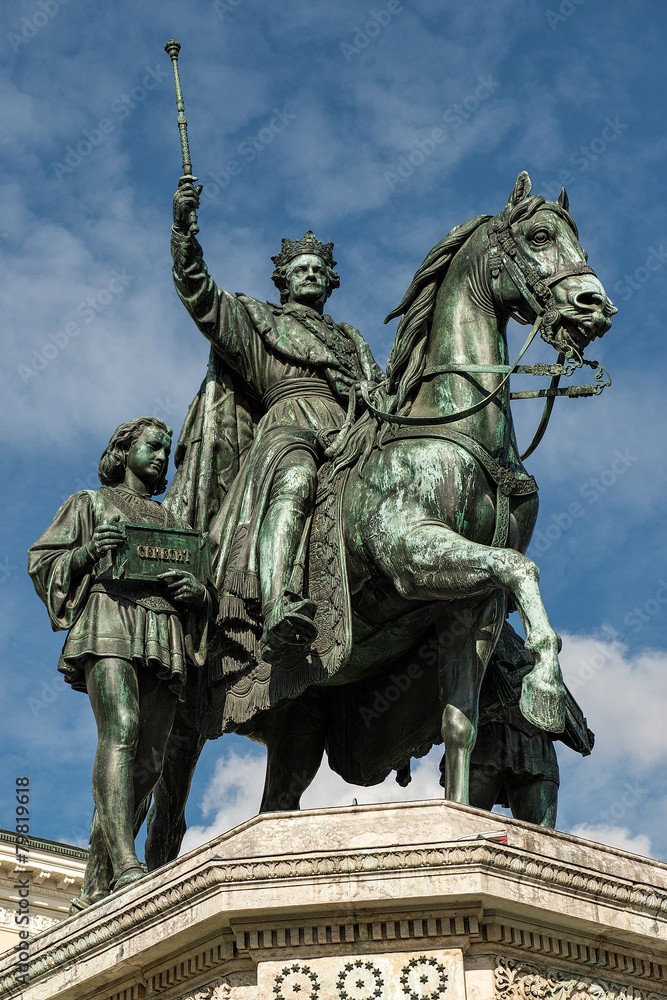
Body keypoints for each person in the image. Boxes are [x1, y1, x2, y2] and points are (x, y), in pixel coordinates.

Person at [170, 177, 383, 736]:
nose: (310, 274)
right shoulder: (258, 321)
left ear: (329, 280)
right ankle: (280, 599)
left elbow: (381, 392)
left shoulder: (353, 342)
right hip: (289, 427)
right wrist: (184, 233)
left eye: (318, 269)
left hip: (353, 433)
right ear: (283, 279)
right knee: (297, 477)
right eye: (300, 268)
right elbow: (201, 298)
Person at [28, 417, 211, 909]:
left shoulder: (174, 522)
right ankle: (129, 864)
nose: (159, 456)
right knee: (122, 728)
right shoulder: (89, 503)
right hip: (109, 617)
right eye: (152, 446)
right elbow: (43, 562)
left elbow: (201, 586)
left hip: (163, 628)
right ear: (124, 450)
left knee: (149, 765)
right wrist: (87, 552)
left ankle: (93, 886)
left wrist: (199, 595)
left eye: (165, 450)